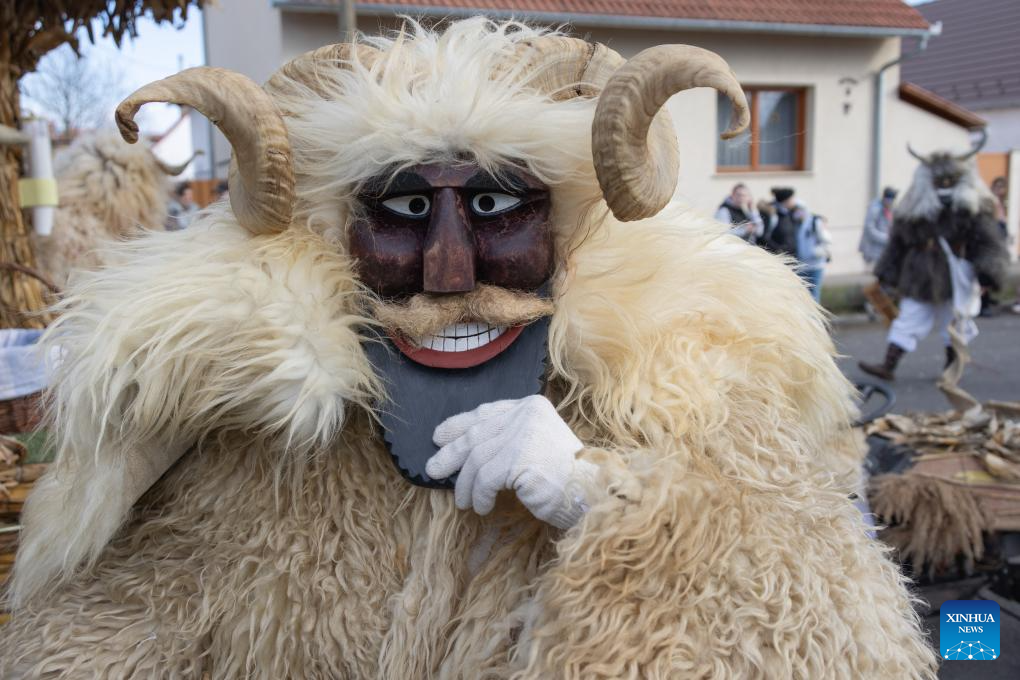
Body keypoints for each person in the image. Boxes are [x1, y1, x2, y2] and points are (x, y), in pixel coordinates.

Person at [3, 21, 936, 678]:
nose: (447, 273)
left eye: (494, 207)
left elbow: (839, 636)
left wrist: (610, 502)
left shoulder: (691, 398)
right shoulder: (254, 444)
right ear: (336, 233)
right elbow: (110, 624)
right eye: (404, 210)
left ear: (568, 225)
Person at [858, 136, 1008, 381]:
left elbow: (986, 243)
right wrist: (886, 272)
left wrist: (987, 274)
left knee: (955, 323)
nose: (944, 185)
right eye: (939, 180)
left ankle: (951, 370)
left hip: (954, 276)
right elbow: (898, 242)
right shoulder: (913, 208)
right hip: (919, 275)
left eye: (950, 179)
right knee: (909, 319)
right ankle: (888, 365)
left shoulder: (973, 209)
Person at [859, 186, 896, 266]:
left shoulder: (890, 209)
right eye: (891, 199)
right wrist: (885, 237)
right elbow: (870, 229)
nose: (892, 202)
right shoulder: (875, 209)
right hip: (874, 249)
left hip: (884, 249)